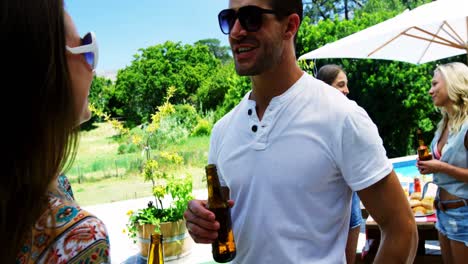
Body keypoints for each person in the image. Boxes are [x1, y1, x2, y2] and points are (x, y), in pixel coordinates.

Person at [184, 0, 418, 263]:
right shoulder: (223, 130)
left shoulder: (341, 116)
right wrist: (201, 221)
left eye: (251, 18)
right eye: (229, 19)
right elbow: (226, 219)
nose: (236, 31)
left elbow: (402, 228)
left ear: (290, 25)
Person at [1, 0, 110, 263]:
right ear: (45, 70)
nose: (92, 68)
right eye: (87, 48)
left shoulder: (55, 183)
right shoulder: (78, 237)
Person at [417, 62, 468, 264]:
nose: (430, 91)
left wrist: (440, 167)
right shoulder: (445, 123)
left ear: (452, 83)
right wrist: (429, 163)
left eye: (434, 84)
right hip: (443, 210)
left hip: (463, 212)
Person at [316, 64, 362, 264]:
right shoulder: (312, 122)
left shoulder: (349, 117)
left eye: (346, 85)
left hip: (351, 202)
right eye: (341, 85)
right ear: (325, 87)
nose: (347, 90)